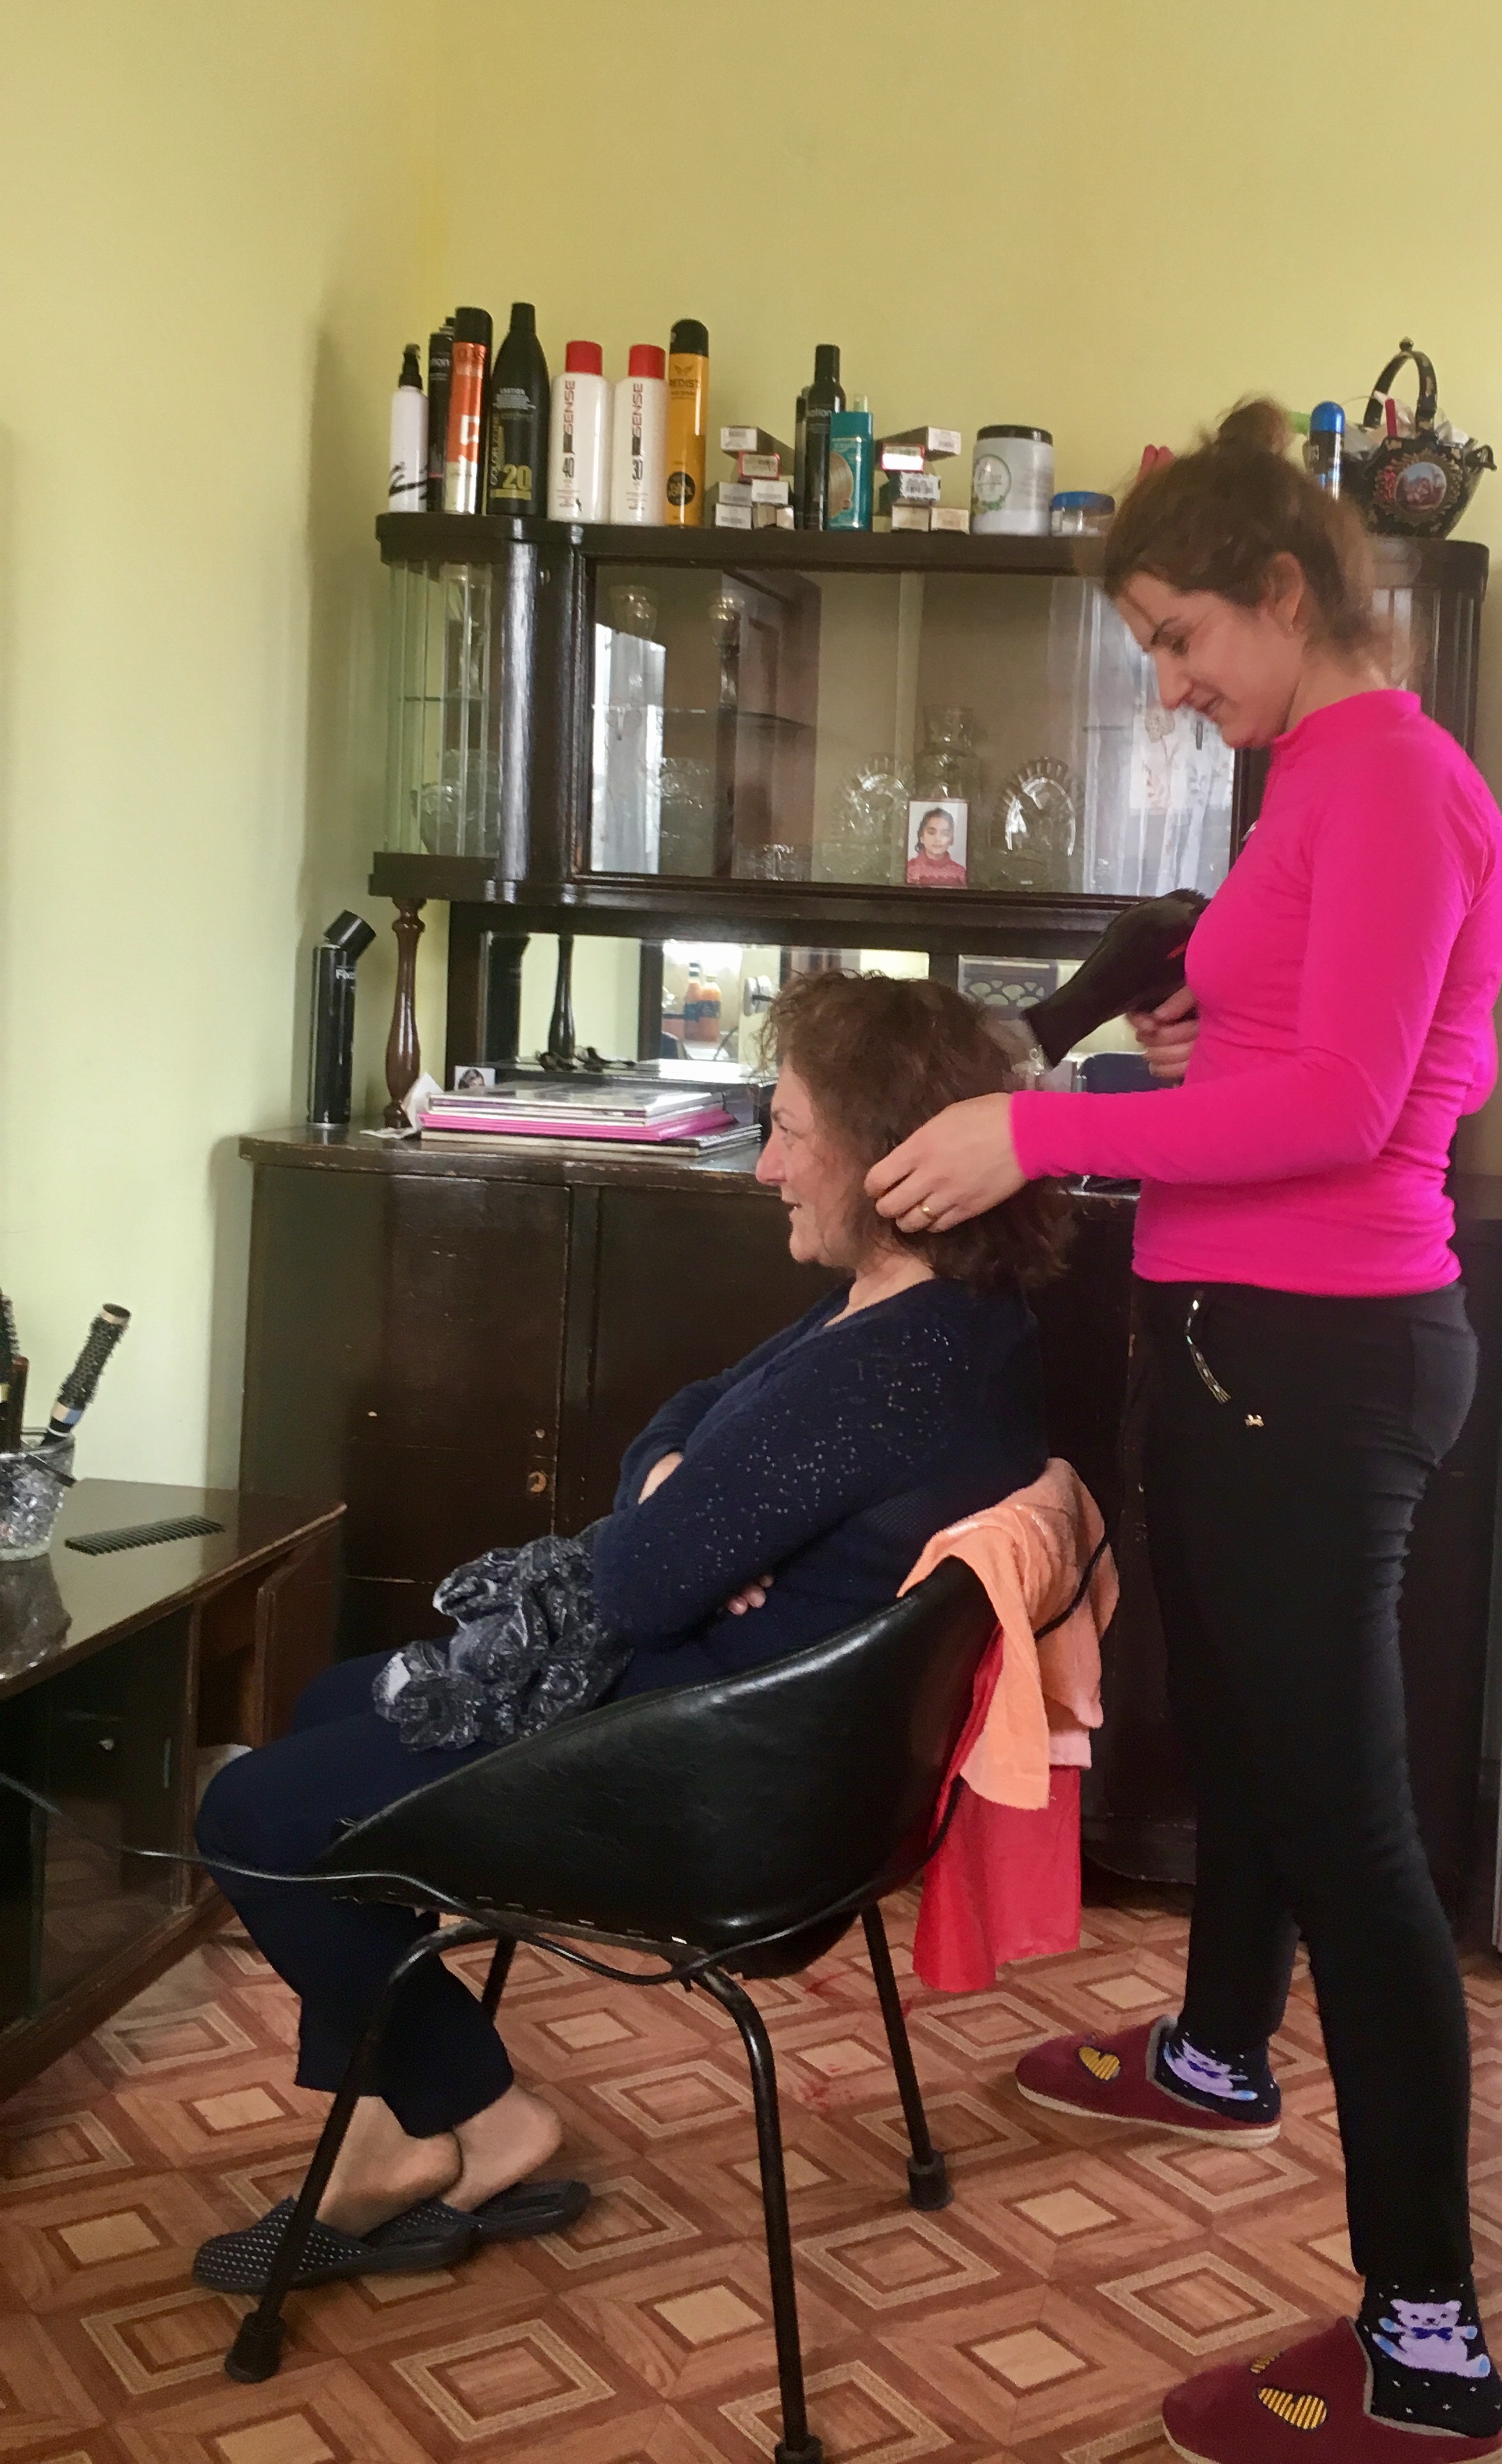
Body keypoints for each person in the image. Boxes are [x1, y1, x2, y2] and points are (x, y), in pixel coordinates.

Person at [868, 402, 1502, 2464]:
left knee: (1355, 1844)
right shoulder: (1322, 773)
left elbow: (1352, 1109)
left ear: (1285, 593)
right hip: (1257, 1340)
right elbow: (1345, 1052)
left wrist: (1042, 1122)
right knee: (1243, 1745)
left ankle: (1427, 2343)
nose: (1167, 684)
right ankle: (1222, 2053)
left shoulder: (1385, 778)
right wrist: (1188, 1048)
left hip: (1318, 1362)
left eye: (1178, 638)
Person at [192, 972, 1066, 2297]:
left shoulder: (884, 1366)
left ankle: (477, 2120)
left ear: (891, 1158)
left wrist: (675, 1515)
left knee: (254, 1813)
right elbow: (687, 1412)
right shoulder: (931, 1313)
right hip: (769, 1739)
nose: (766, 1165)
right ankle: (385, 2126)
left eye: (790, 1131)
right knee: (328, 1713)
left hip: (709, 1782)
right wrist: (675, 1479)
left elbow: (642, 1584)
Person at [905, 802, 968, 887]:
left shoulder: (961, 874)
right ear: (921, 837)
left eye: (945, 834)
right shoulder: (908, 870)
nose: (938, 839)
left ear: (951, 840)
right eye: (931, 832)